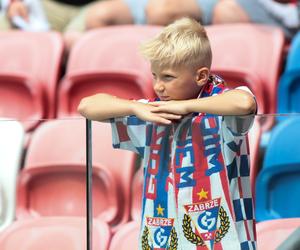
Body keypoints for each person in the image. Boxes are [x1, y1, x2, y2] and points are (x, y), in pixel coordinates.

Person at [78, 18, 257, 249]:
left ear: (201, 76)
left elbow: (244, 103)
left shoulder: (223, 108)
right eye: (155, 76)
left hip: (228, 240)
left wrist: (187, 106)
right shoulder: (153, 112)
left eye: (168, 77)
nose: (158, 86)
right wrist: (133, 107)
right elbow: (87, 106)